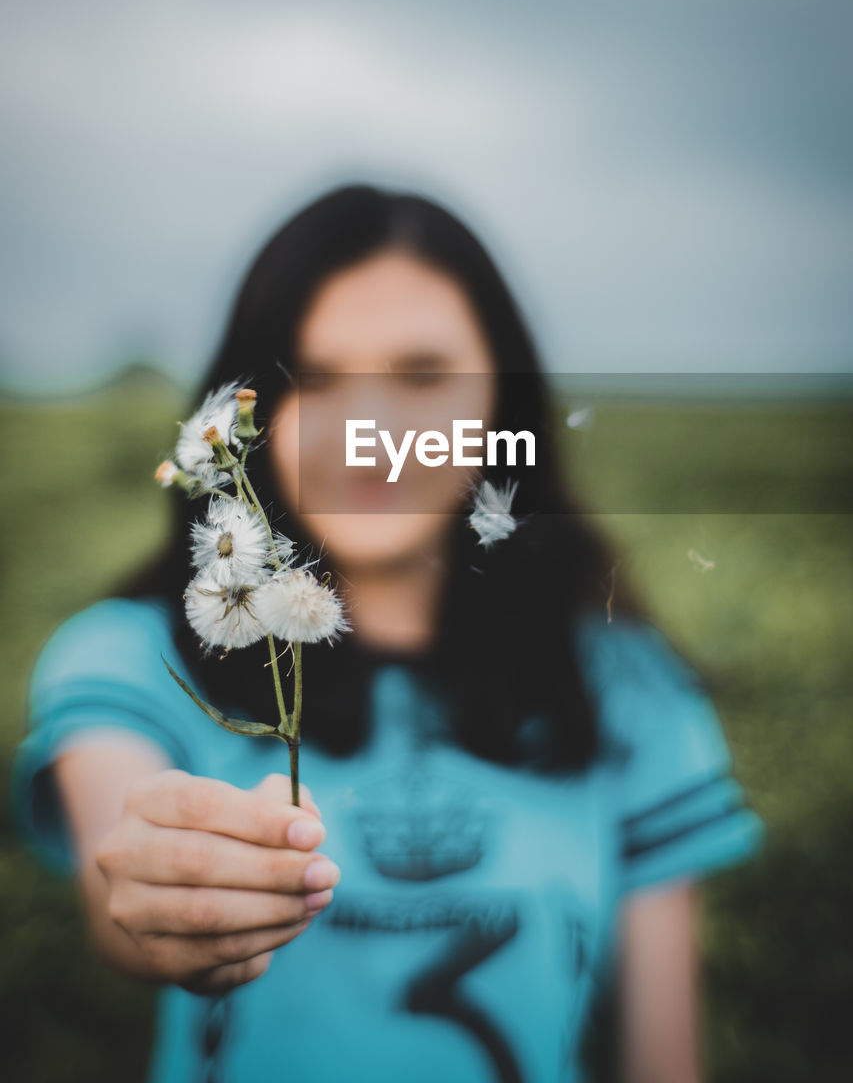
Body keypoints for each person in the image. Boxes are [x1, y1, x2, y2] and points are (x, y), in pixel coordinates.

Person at [14, 184, 764, 1083]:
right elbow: (120, 871)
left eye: (419, 375)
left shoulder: (625, 689)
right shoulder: (136, 656)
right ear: (250, 420)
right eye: (317, 379)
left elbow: (661, 1058)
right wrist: (153, 882)